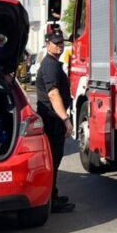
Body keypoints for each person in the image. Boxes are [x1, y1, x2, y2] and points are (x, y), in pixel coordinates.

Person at [35, 30, 75, 213]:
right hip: (52, 120)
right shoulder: (50, 66)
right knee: (53, 161)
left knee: (54, 161)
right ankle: (51, 201)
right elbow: (52, 94)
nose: (60, 46)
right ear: (47, 44)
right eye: (56, 43)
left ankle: (53, 196)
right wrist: (66, 119)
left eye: (61, 43)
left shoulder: (52, 63)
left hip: (52, 119)